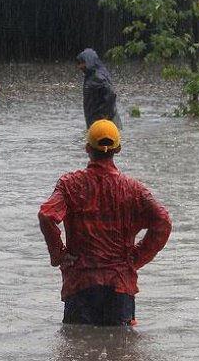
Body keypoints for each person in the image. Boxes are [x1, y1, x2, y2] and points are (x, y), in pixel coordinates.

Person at [38, 119, 171, 326]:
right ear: (117, 149)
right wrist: (136, 258)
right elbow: (162, 222)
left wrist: (59, 255)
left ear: (87, 148)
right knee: (122, 350)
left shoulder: (70, 185)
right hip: (120, 284)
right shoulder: (133, 189)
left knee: (78, 349)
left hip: (81, 284)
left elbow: (46, 215)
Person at [77, 48, 121, 129]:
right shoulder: (94, 74)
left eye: (82, 63)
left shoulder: (97, 76)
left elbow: (111, 94)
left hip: (104, 125)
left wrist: (105, 116)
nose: (79, 66)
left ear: (88, 62)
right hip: (100, 123)